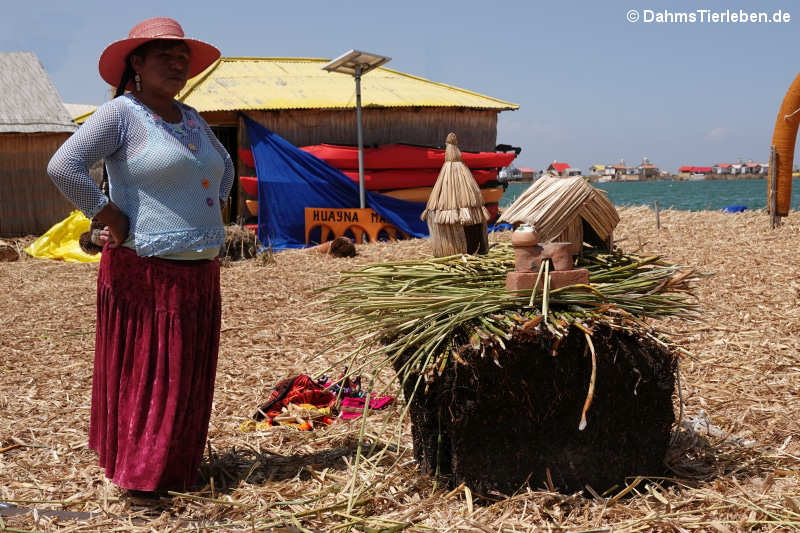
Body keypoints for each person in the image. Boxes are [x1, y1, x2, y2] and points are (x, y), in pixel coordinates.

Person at [48, 17, 234, 493]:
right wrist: (109, 215)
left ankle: (176, 467)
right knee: (154, 373)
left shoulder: (191, 117)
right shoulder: (121, 115)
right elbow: (64, 165)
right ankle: (144, 475)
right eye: (165, 57)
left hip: (199, 267)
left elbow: (223, 170)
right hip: (147, 267)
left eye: (182, 59)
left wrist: (205, 211)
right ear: (137, 63)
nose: (177, 66)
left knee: (186, 372)